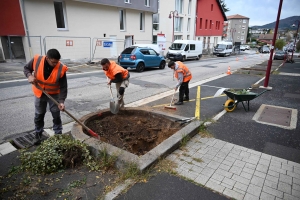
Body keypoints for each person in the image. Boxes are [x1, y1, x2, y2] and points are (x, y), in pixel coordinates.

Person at [23, 49, 68, 145]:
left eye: (57, 62)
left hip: (54, 94)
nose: (56, 64)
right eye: (53, 62)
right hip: (39, 92)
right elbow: (26, 68)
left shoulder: (61, 68)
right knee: (39, 115)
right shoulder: (37, 60)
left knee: (56, 115)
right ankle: (38, 134)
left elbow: (63, 87)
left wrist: (61, 102)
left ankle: (58, 135)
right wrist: (29, 76)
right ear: (47, 58)